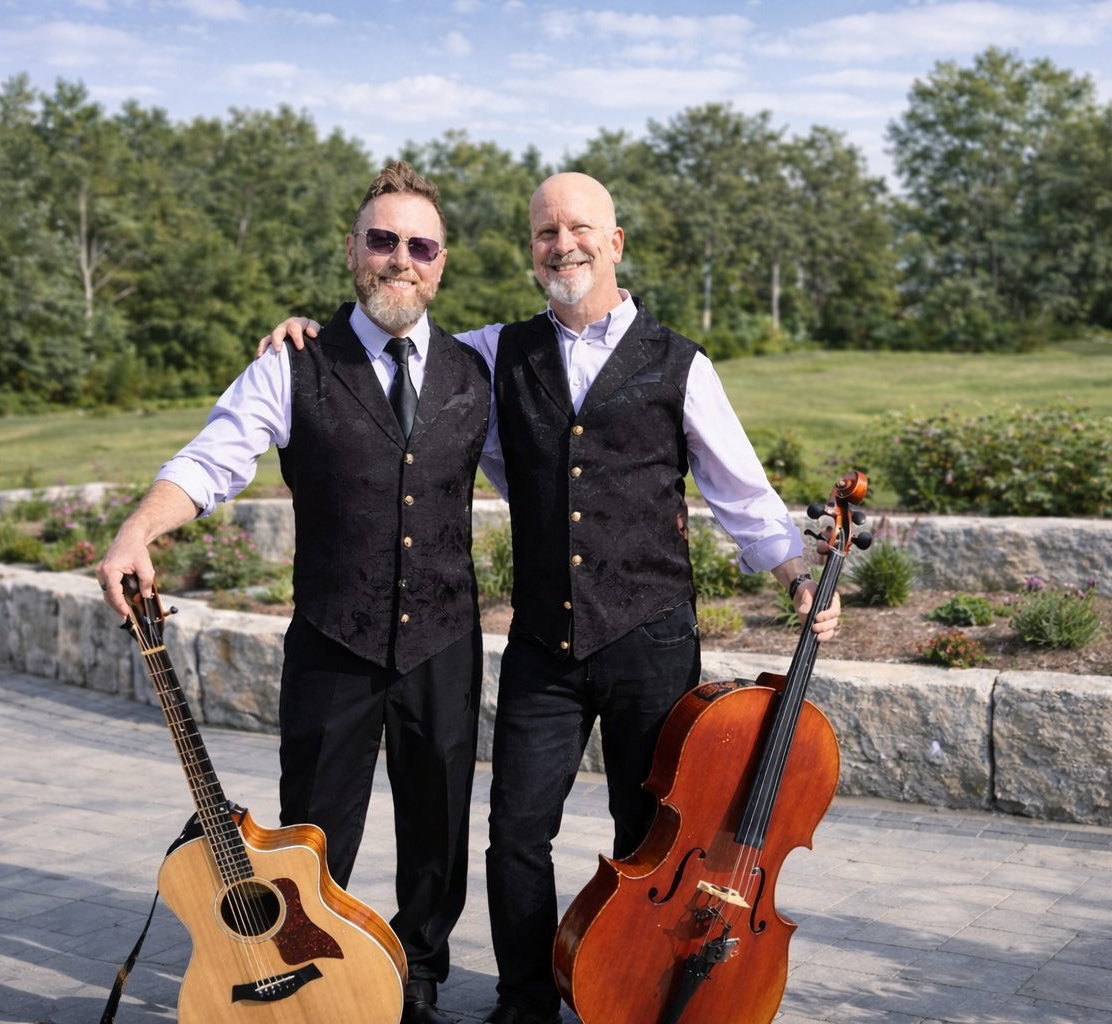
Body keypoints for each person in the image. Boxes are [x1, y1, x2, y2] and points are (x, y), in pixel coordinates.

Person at [262, 171, 841, 1024]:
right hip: (543, 644)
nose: (561, 244)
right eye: (543, 232)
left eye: (578, 229)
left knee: (648, 836)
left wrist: (795, 571)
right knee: (516, 835)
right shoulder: (495, 354)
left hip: (649, 637)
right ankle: (525, 999)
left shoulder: (681, 362)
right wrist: (313, 335)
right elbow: (399, 329)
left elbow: (738, 489)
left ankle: (634, 994)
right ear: (530, 251)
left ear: (614, 242)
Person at [96, 161, 490, 1024]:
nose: (400, 259)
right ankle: (322, 990)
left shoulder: (476, 368)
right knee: (312, 837)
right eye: (382, 240)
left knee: (440, 830)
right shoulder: (294, 363)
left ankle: (418, 982)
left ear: (442, 262)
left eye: (419, 245)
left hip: (445, 643)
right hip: (333, 641)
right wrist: (137, 530)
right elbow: (213, 457)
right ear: (352, 250)